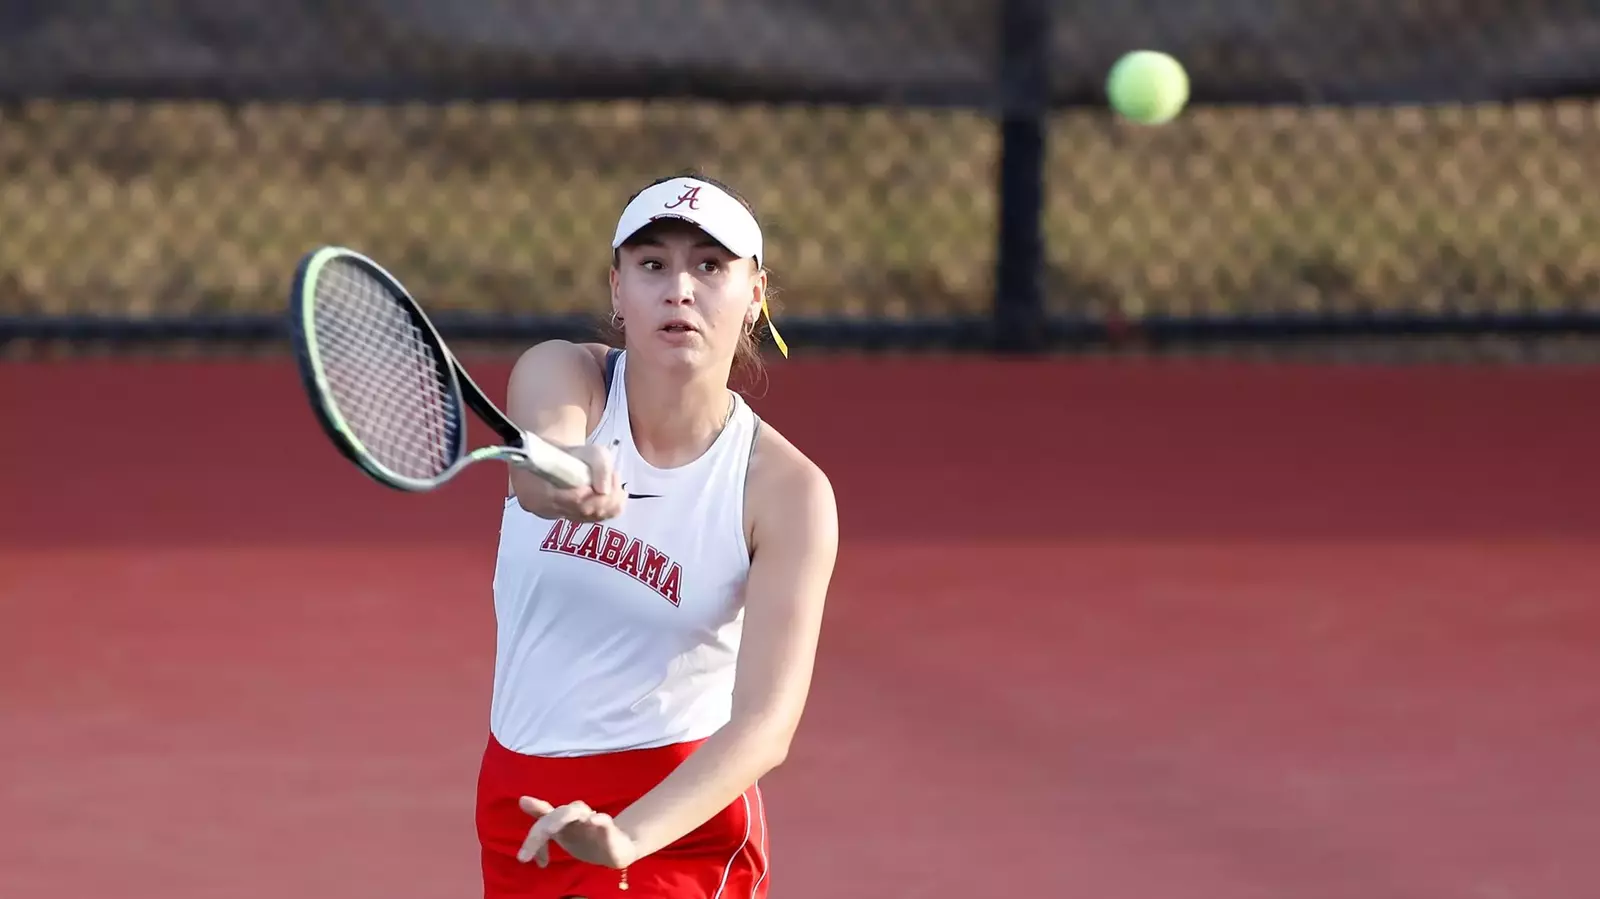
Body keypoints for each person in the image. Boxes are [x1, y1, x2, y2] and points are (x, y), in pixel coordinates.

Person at [474, 172, 840, 899]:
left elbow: (767, 723)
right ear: (616, 290)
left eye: (710, 265)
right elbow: (534, 471)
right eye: (652, 265)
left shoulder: (786, 492)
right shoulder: (562, 372)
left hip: (674, 818)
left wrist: (629, 834)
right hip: (519, 802)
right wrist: (569, 473)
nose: (680, 288)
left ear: (755, 296)